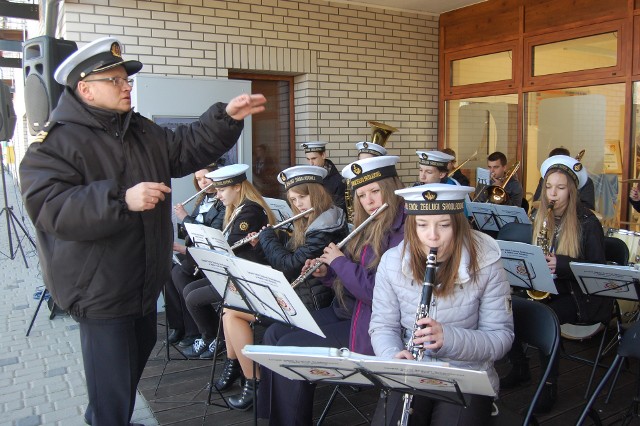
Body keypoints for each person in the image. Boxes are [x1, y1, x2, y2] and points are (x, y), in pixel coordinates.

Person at [18, 36, 267, 426]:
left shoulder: (140, 131)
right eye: (115, 80)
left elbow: (185, 147)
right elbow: (51, 208)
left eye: (126, 79)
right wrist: (122, 200)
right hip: (100, 288)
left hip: (141, 282)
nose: (126, 86)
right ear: (86, 88)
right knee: (112, 386)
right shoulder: (55, 143)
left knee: (124, 376)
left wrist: (227, 118)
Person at [258, 155, 407, 425]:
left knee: (288, 349)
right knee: (273, 333)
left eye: (375, 191)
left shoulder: (403, 232)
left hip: (370, 324)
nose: (369, 201)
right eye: (362, 195)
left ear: (391, 188)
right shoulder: (370, 224)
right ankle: (273, 417)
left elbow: (377, 294)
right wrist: (328, 274)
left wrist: (339, 261)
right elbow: (351, 281)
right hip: (348, 310)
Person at [369, 183, 514, 426]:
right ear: (411, 226)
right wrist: (393, 356)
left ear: (458, 224)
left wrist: (448, 338)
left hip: (468, 376)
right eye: (422, 225)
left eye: (444, 225)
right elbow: (383, 326)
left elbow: (501, 337)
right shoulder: (392, 262)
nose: (432, 235)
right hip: (413, 371)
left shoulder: (487, 263)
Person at [219, 165, 349, 410]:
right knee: (231, 307)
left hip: (311, 302)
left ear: (318, 193)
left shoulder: (326, 226)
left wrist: (268, 239)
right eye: (293, 199)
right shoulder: (311, 221)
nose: (299, 204)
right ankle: (243, 370)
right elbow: (287, 259)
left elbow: (288, 265)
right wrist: (262, 244)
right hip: (297, 293)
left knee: (233, 312)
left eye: (303, 196)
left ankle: (253, 381)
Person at [500, 155, 612, 414]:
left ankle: (549, 384)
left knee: (545, 317)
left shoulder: (588, 223)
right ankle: (519, 367)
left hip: (580, 295)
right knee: (507, 306)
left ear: (571, 191)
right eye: (549, 187)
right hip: (550, 287)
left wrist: (562, 264)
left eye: (560, 188)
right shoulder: (543, 215)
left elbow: (597, 271)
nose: (553, 194)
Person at [180, 163, 275, 361]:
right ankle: (215, 339)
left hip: (247, 276)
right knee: (189, 290)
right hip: (234, 272)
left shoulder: (250, 211)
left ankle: (217, 340)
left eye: (222, 190)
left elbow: (231, 247)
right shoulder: (237, 208)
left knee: (193, 298)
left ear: (238, 187)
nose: (218, 195)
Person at [165, 165, 225, 349]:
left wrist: (185, 218)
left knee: (180, 274)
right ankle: (180, 326)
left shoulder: (223, 203)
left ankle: (200, 331)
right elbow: (189, 236)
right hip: (194, 253)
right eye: (199, 179)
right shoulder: (203, 200)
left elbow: (210, 234)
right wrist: (181, 223)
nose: (203, 182)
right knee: (167, 271)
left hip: (209, 257)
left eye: (206, 177)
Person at [301, 141, 346, 213]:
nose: (311, 163)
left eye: (314, 158)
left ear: (323, 155)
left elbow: (339, 211)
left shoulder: (338, 181)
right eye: (308, 159)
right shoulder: (307, 178)